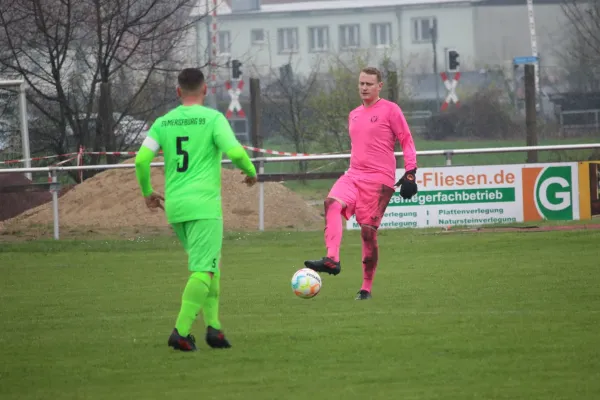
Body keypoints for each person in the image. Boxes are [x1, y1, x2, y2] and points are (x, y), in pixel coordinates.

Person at [134, 67, 258, 351]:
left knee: (209, 267)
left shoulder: (163, 123)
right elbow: (236, 152)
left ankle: (214, 329)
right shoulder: (213, 118)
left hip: (175, 207)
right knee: (204, 269)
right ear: (205, 90)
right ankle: (180, 331)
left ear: (178, 91)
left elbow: (141, 160)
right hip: (204, 206)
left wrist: (147, 193)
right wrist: (250, 170)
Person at [304, 67, 418, 300]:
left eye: (369, 84)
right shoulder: (354, 114)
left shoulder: (391, 110)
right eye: (361, 83)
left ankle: (366, 288)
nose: (364, 88)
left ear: (379, 86)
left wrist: (410, 173)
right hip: (354, 175)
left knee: (368, 234)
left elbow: (406, 140)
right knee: (332, 203)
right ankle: (332, 259)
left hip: (380, 181)